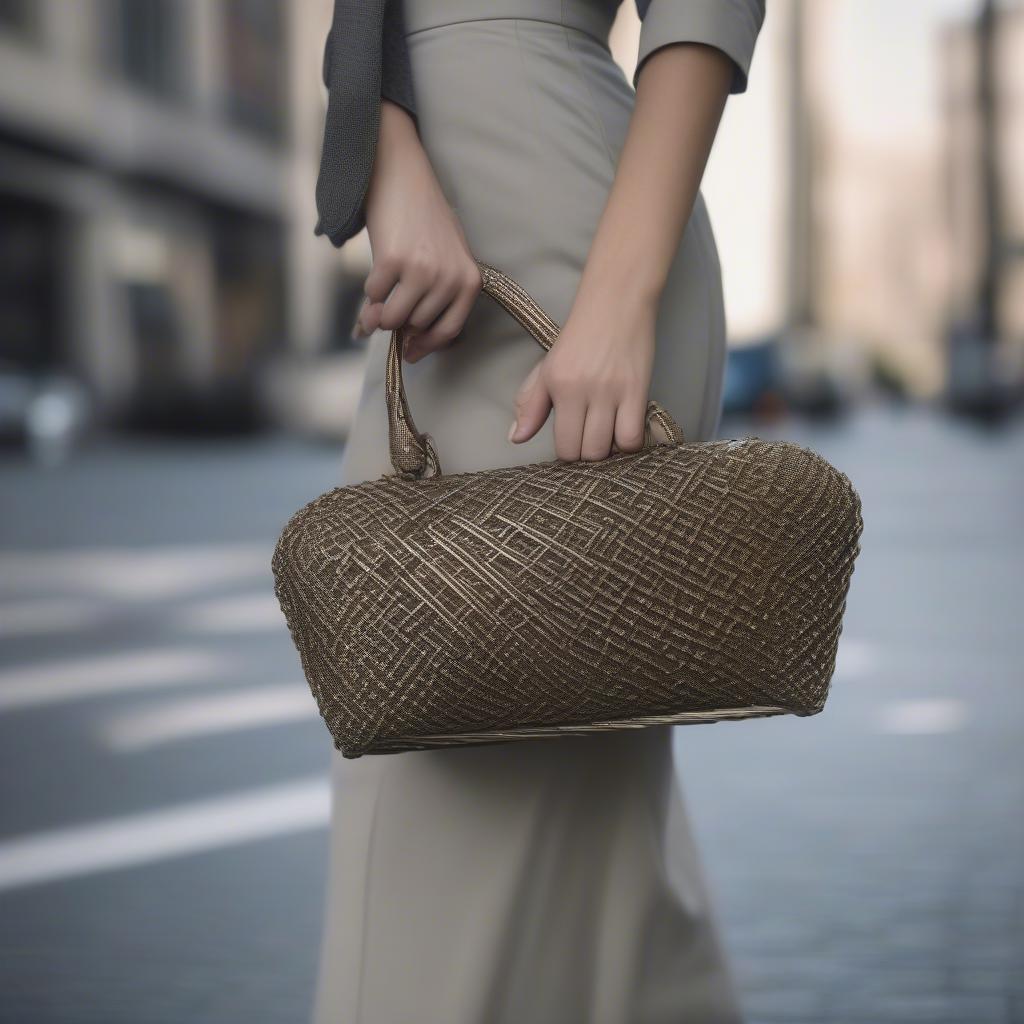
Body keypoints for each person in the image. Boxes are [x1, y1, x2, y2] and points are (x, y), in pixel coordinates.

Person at [311, 2, 765, 1021]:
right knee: (593, 875)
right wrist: (389, 148)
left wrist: (616, 300)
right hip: (471, 220)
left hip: (560, 255)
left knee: (428, 855)